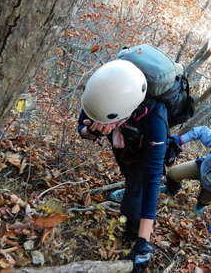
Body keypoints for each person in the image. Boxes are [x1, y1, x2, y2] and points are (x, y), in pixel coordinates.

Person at [77, 59, 168, 272]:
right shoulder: (102, 94)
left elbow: (153, 179)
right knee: (130, 180)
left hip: (145, 150)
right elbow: (82, 125)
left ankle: (134, 233)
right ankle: (130, 222)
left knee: (136, 190)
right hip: (123, 145)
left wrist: (143, 242)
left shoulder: (155, 119)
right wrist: (91, 132)